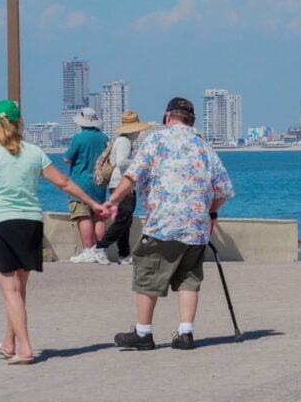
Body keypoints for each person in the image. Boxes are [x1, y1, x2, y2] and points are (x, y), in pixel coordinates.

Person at [0, 100, 108, 365]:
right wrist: (94, 204)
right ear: (20, 123)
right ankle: (8, 342)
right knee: (19, 289)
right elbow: (63, 182)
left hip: (1, 223)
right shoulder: (34, 152)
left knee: (9, 289)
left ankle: (25, 348)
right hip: (31, 223)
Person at [106, 97, 234, 351]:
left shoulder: (155, 140)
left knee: (148, 273)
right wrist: (210, 212)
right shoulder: (204, 146)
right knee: (189, 278)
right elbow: (223, 190)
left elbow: (132, 176)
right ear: (191, 120)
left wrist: (113, 200)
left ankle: (143, 333)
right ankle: (185, 333)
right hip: (195, 226)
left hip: (163, 223)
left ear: (167, 117)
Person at [92, 111, 150, 265]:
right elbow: (121, 161)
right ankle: (100, 247)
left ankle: (124, 254)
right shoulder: (124, 141)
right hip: (122, 183)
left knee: (125, 220)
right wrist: (141, 163)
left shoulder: (123, 140)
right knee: (123, 219)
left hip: (120, 183)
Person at [65, 107, 110, 264]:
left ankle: (88, 251)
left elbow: (67, 159)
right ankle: (101, 250)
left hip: (80, 183)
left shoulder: (79, 138)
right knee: (99, 217)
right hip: (99, 183)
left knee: (83, 216)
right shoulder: (104, 137)